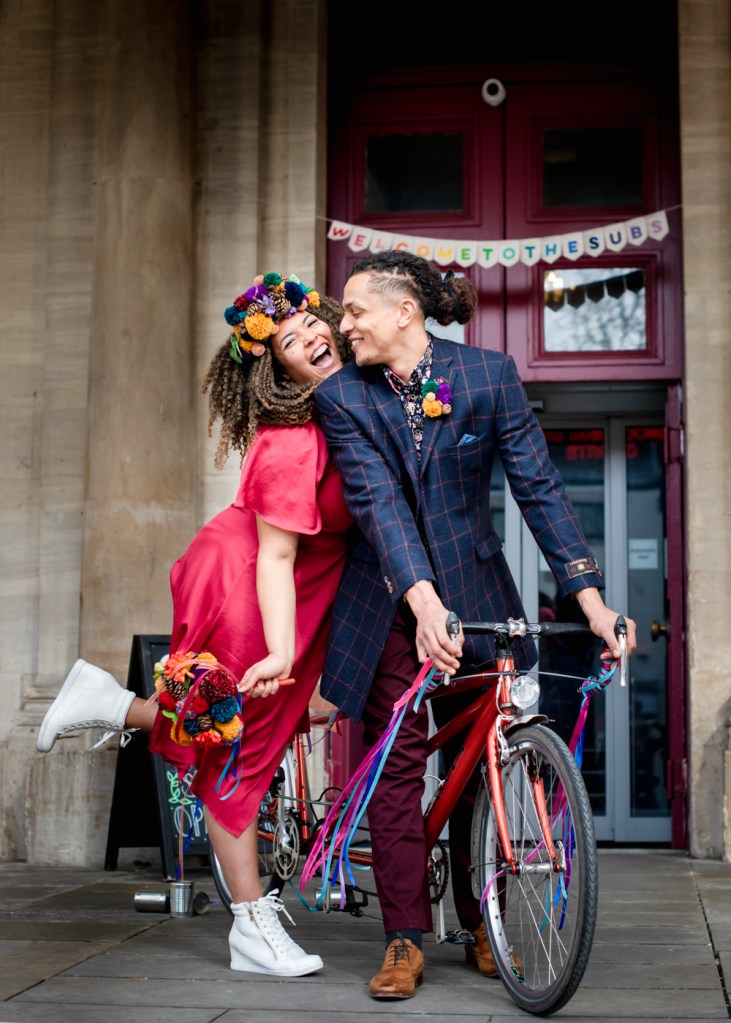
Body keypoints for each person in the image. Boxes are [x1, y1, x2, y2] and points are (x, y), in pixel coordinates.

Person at [313, 250, 638, 1000]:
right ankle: (403, 936)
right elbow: (377, 503)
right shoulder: (342, 396)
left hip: (479, 593)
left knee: (474, 762)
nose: (343, 325)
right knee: (398, 769)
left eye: (355, 310)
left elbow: (539, 489)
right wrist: (423, 604)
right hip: (386, 602)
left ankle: (480, 920)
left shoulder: (488, 375)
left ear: (404, 311)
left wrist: (592, 603)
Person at [36, 272, 353, 978]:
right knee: (235, 748)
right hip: (248, 585)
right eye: (291, 342)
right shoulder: (290, 441)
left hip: (296, 591)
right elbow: (276, 556)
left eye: (313, 325)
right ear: (279, 375)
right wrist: (283, 650)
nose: (311, 338)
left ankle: (111, 703)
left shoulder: (346, 415)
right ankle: (250, 925)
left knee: (240, 728)